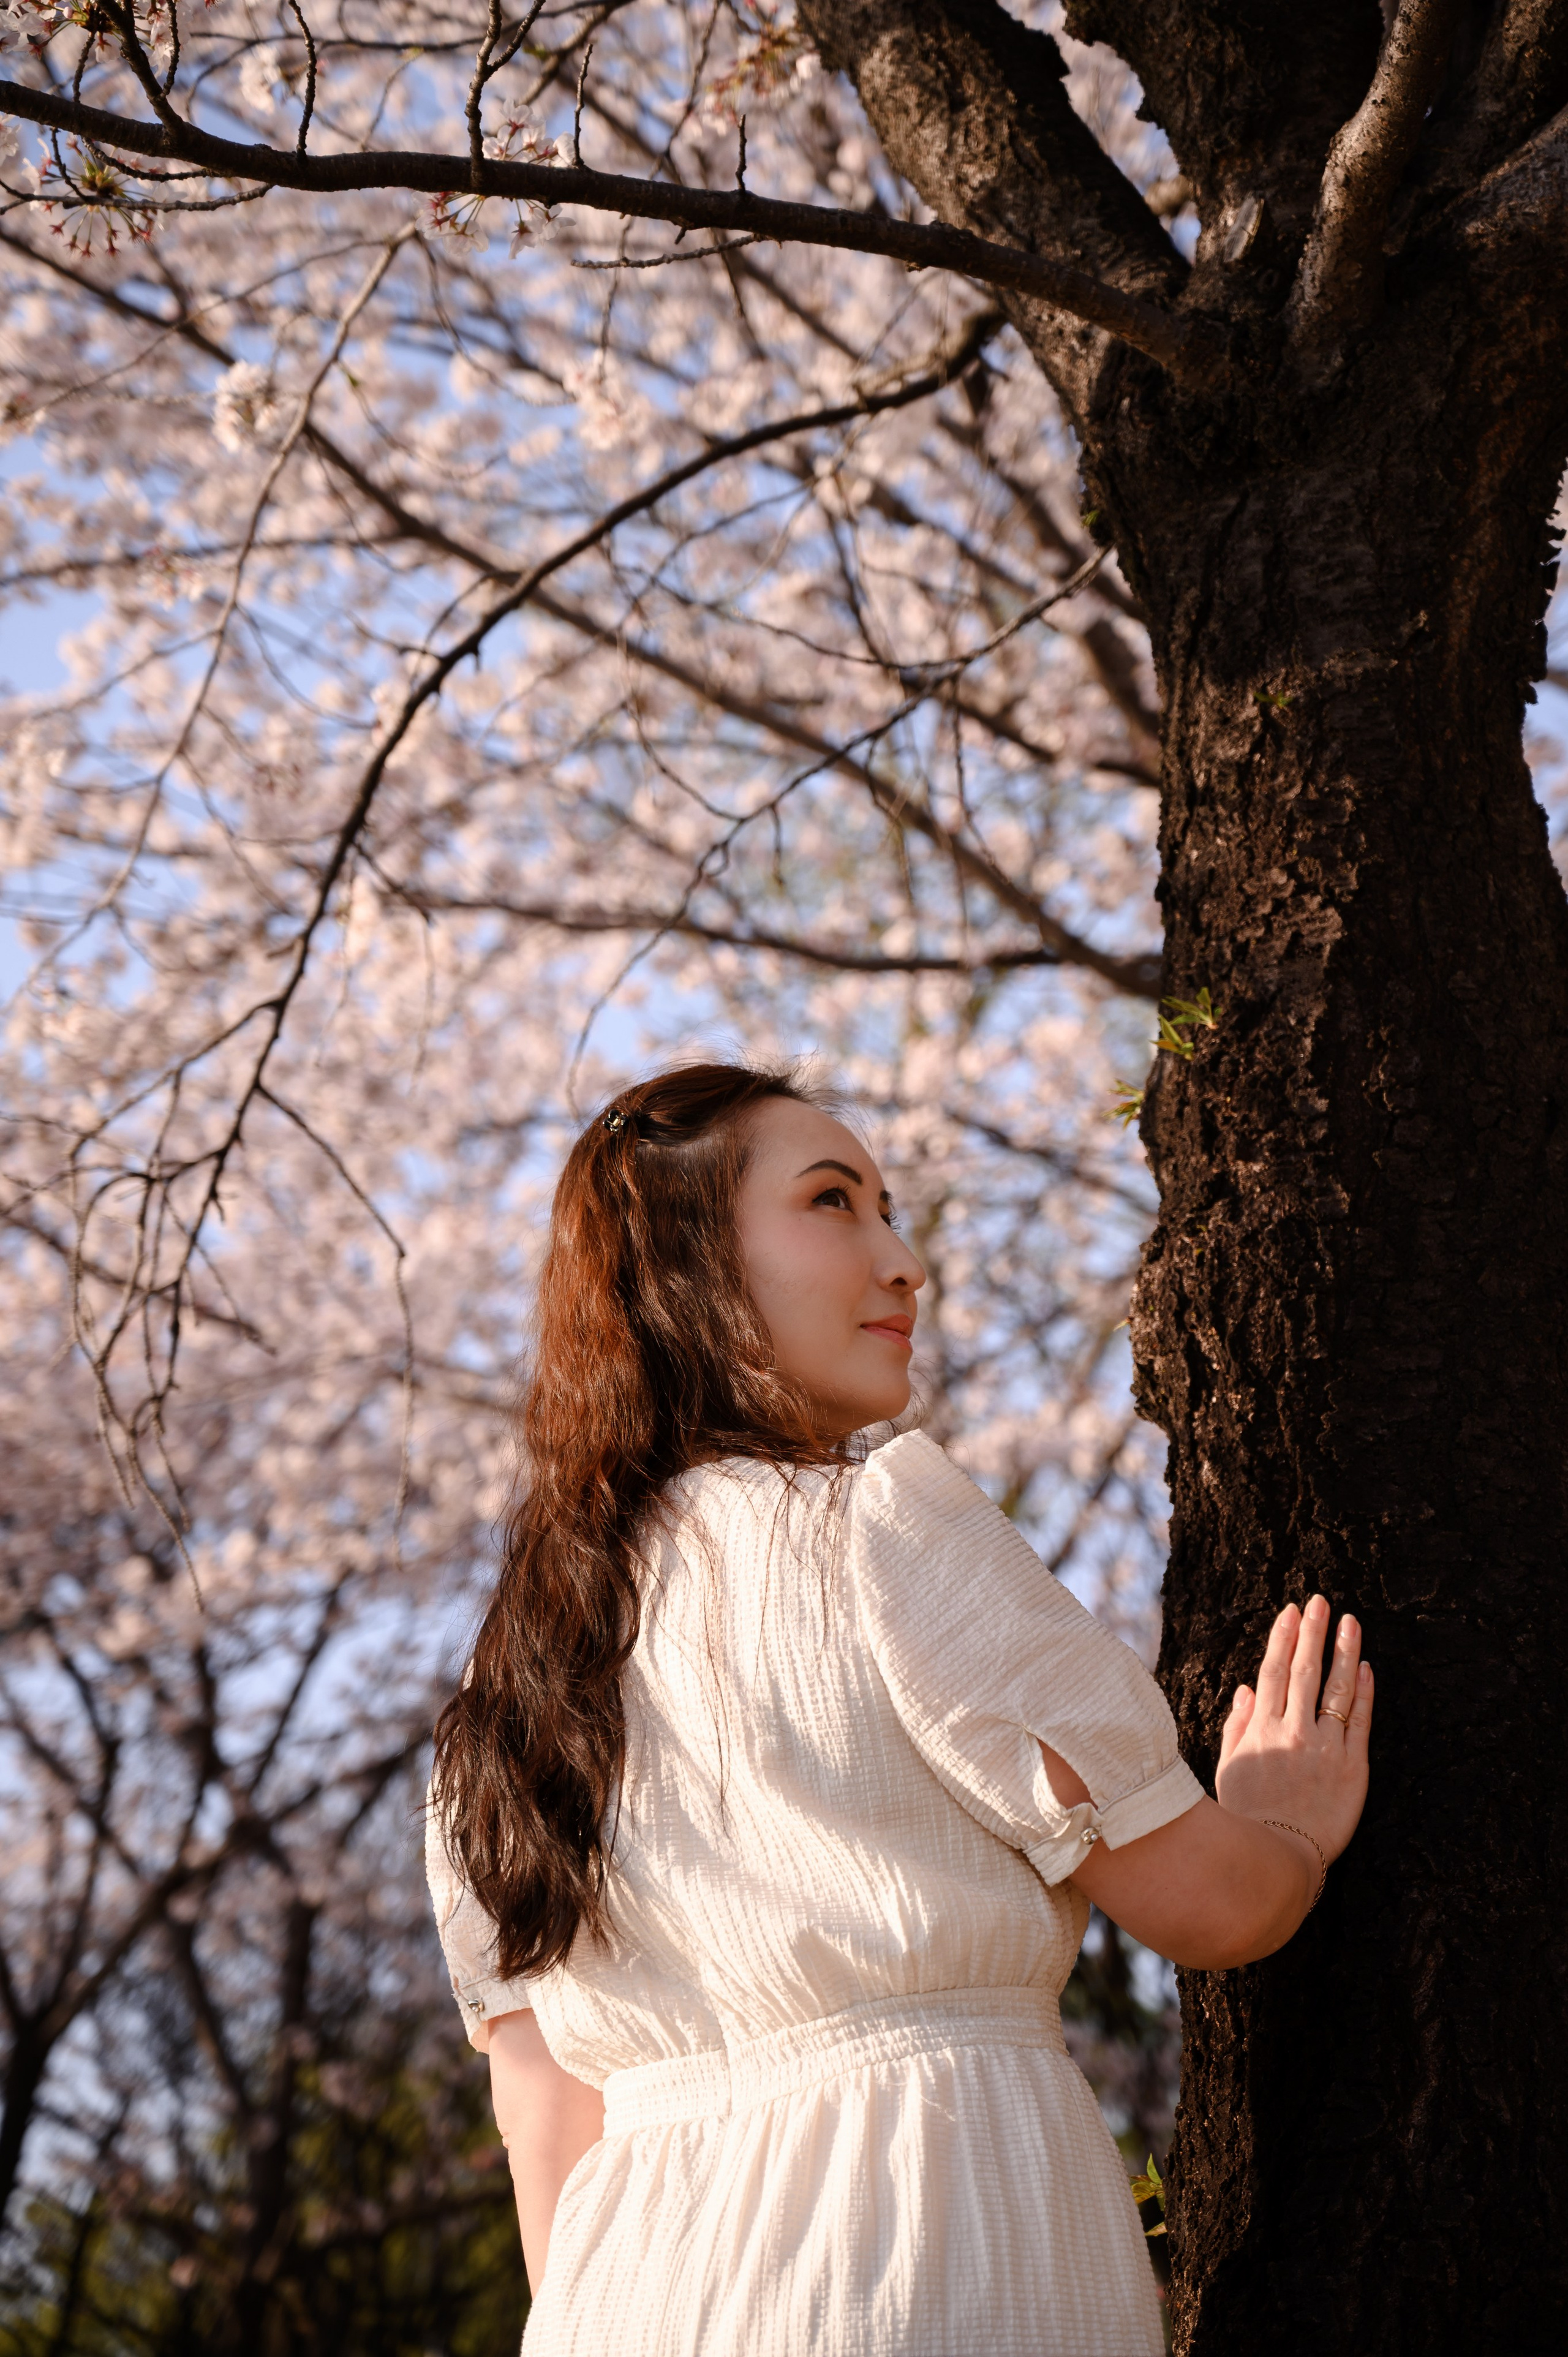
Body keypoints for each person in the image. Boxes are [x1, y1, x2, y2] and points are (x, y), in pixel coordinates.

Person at [427, 1062, 1372, 2356]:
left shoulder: (503, 1702)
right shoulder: (881, 1522)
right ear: (683, 1268)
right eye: (833, 1203)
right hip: (922, 2253)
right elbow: (1211, 1908)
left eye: (885, 1206)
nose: (901, 1259)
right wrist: (1284, 1829)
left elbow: (548, 2139)